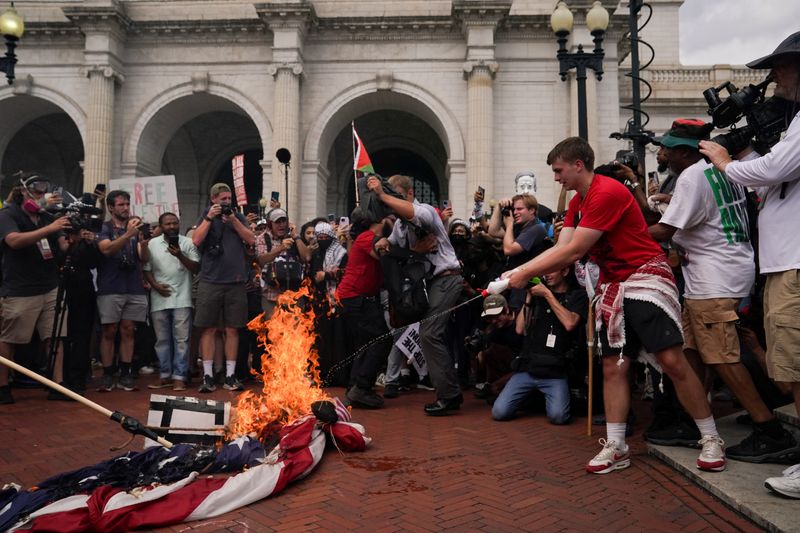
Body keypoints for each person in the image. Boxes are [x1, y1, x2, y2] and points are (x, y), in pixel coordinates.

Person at [506, 136, 726, 474]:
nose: (556, 177)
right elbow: (563, 245)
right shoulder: (579, 202)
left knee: (671, 360)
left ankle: (710, 437)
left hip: (645, 277)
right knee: (613, 366)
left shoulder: (607, 192)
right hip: (614, 286)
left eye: (558, 170)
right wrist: (517, 274)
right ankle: (617, 444)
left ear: (578, 164)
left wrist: (521, 272)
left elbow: (574, 251)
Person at [651, 119, 799, 463]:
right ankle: (695, 421)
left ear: (685, 152)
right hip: (723, 270)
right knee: (691, 350)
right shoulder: (715, 170)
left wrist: (619, 232)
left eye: (668, 148)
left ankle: (768, 429)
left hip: (714, 278)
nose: (663, 153)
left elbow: (664, 230)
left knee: (720, 355)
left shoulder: (690, 176)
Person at [700, 30, 800, 497]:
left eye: (782, 67)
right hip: (783, 260)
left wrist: (723, 160)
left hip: (794, 262)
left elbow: (773, 171)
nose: (774, 77)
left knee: (793, 365)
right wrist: (749, 158)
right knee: (787, 362)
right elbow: (769, 180)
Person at [372, 174, 464, 415]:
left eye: (396, 197)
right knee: (430, 335)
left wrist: (383, 195)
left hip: (447, 278)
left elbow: (416, 216)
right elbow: (393, 247)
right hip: (432, 284)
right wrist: (382, 243)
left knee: (430, 334)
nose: (391, 204)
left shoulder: (425, 211)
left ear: (410, 194)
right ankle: (450, 391)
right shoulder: (401, 226)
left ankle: (449, 395)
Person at [0, 175, 71, 404]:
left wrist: (76, 234)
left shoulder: (47, 217)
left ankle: (57, 384)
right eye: (37, 193)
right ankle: (2, 386)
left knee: (55, 336)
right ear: (23, 192)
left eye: (43, 193)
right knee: (10, 338)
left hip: (50, 285)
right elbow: (14, 241)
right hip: (20, 288)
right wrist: (51, 227)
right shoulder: (8, 215)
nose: (42, 198)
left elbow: (63, 247)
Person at [492, 267, 587, 424]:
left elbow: (570, 323)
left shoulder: (577, 295)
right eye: (544, 272)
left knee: (558, 417)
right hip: (528, 367)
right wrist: (528, 297)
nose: (546, 275)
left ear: (564, 272)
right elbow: (519, 329)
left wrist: (547, 295)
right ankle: (536, 398)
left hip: (555, 371)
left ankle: (541, 399)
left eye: (552, 271)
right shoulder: (537, 296)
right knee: (499, 412)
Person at [192, 183, 255, 393]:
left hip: (235, 282)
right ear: (213, 200)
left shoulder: (237, 216)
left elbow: (251, 239)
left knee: (232, 329)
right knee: (208, 328)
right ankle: (208, 375)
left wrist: (234, 220)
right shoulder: (206, 216)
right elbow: (196, 240)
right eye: (223, 200)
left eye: (229, 199)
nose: (227, 203)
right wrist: (210, 218)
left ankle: (230, 375)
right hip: (210, 281)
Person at [336, 209, 390, 408]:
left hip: (354, 297)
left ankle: (355, 387)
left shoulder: (362, 236)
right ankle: (361, 386)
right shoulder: (367, 236)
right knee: (382, 338)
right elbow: (380, 250)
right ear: (380, 220)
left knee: (366, 342)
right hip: (355, 297)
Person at [95, 190, 148, 392]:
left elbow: (144, 259)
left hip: (133, 286)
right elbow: (106, 249)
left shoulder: (134, 229)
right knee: (109, 330)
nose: (125, 208)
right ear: (110, 207)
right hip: (111, 286)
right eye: (121, 205)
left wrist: (143, 241)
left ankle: (126, 372)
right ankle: (108, 373)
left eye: (127, 204)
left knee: (128, 329)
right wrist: (128, 235)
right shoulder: (104, 228)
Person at [143, 212, 200, 391]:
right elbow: (146, 269)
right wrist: (155, 286)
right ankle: (165, 375)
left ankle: (179, 377)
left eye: (175, 223)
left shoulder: (188, 243)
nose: (172, 227)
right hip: (159, 298)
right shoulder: (152, 244)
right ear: (161, 226)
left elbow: (196, 267)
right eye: (167, 224)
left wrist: (180, 255)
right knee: (162, 340)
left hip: (182, 298)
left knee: (182, 340)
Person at [488, 194, 548, 311]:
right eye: (513, 209)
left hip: (527, 285)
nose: (515, 213)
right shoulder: (519, 228)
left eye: (519, 209)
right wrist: (498, 207)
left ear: (532, 210)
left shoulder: (536, 228)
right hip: (516, 282)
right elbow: (493, 231)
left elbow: (509, 250)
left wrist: (509, 225)